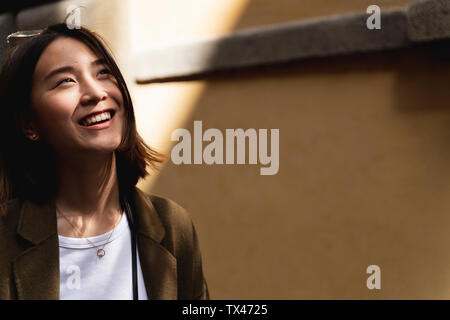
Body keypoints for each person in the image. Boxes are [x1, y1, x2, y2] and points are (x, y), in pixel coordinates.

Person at [0, 23, 209, 300]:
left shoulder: (172, 226)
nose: (96, 93)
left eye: (103, 73)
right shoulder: (5, 239)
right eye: (66, 81)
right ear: (29, 124)